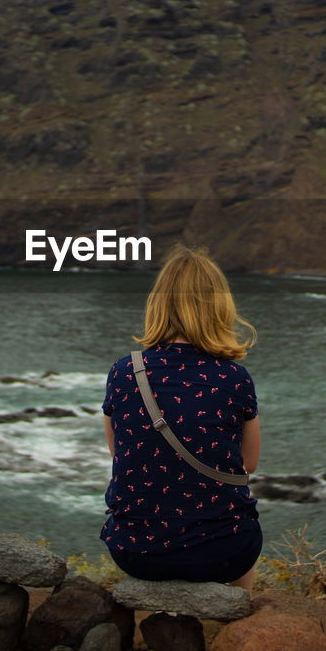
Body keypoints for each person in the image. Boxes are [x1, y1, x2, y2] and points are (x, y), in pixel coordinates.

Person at [101, 244, 262, 590]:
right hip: (224, 553)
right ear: (219, 307)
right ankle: (234, 627)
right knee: (241, 525)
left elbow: (119, 453)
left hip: (135, 550)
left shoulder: (124, 371)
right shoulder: (235, 378)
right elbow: (248, 463)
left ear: (158, 303)